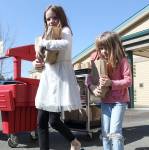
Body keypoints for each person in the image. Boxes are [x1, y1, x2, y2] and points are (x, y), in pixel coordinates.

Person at [33, 4, 81, 150]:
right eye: (48, 19)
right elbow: (41, 59)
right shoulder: (44, 36)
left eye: (55, 17)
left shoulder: (65, 30)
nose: (51, 21)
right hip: (48, 78)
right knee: (41, 121)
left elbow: (64, 44)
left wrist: (43, 43)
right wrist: (37, 63)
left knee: (53, 121)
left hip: (60, 79)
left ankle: (74, 141)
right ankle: (73, 142)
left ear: (61, 17)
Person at [86, 31, 132, 150]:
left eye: (107, 47)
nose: (103, 51)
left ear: (115, 46)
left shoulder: (122, 60)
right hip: (105, 101)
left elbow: (128, 81)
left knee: (115, 132)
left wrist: (111, 83)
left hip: (119, 102)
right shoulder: (98, 62)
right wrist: (92, 88)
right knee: (105, 133)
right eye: (101, 48)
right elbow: (88, 79)